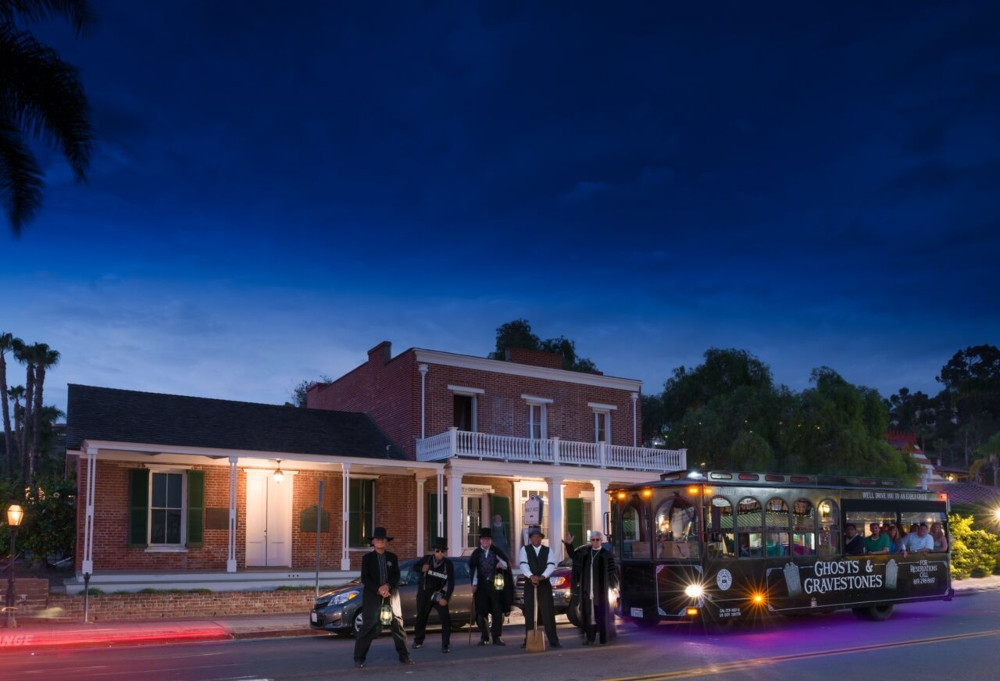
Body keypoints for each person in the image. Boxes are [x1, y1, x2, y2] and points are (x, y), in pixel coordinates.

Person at [353, 527, 413, 668]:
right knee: (368, 626)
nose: (380, 541)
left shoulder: (393, 557)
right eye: (377, 539)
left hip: (391, 596)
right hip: (373, 596)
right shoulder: (367, 558)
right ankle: (359, 658)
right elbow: (365, 578)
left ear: (386, 541)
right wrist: (378, 589)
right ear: (373, 541)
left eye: (382, 539)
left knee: (397, 625)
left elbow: (396, 576)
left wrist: (388, 586)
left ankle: (404, 656)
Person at [567, 531, 619, 645]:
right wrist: (569, 544)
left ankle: (603, 638)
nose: (595, 542)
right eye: (593, 540)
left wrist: (614, 587)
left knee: (600, 613)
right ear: (590, 541)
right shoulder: (585, 553)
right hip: (587, 590)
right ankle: (590, 638)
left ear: (601, 541)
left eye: (597, 540)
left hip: (600, 590)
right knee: (589, 614)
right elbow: (573, 556)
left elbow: (612, 572)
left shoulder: (606, 555)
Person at [468, 527, 513, 646]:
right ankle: (485, 636)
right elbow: (475, 571)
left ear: (491, 541)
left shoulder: (496, 551)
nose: (485, 542)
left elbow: (506, 565)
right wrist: (473, 585)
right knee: (481, 612)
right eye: (483, 539)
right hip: (482, 586)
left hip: (495, 586)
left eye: (487, 540)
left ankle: (497, 637)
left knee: (497, 611)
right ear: (480, 541)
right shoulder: (476, 553)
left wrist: (500, 564)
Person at [518, 526, 561, 649]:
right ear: (530, 538)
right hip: (530, 584)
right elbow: (523, 563)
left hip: (544, 584)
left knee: (548, 611)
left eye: (538, 537)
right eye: (533, 537)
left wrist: (542, 576)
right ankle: (529, 639)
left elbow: (551, 564)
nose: (536, 538)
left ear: (541, 538)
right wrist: (531, 576)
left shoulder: (548, 550)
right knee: (530, 612)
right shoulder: (524, 550)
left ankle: (553, 640)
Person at [413, 537, 454, 653]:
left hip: (438, 593)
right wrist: (421, 569)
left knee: (446, 618)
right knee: (421, 617)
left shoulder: (448, 564)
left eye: (442, 551)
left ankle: (445, 645)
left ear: (445, 552)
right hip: (424, 593)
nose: (439, 553)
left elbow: (451, 583)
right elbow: (414, 567)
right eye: (437, 551)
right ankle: (418, 641)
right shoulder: (427, 559)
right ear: (433, 551)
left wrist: (446, 598)